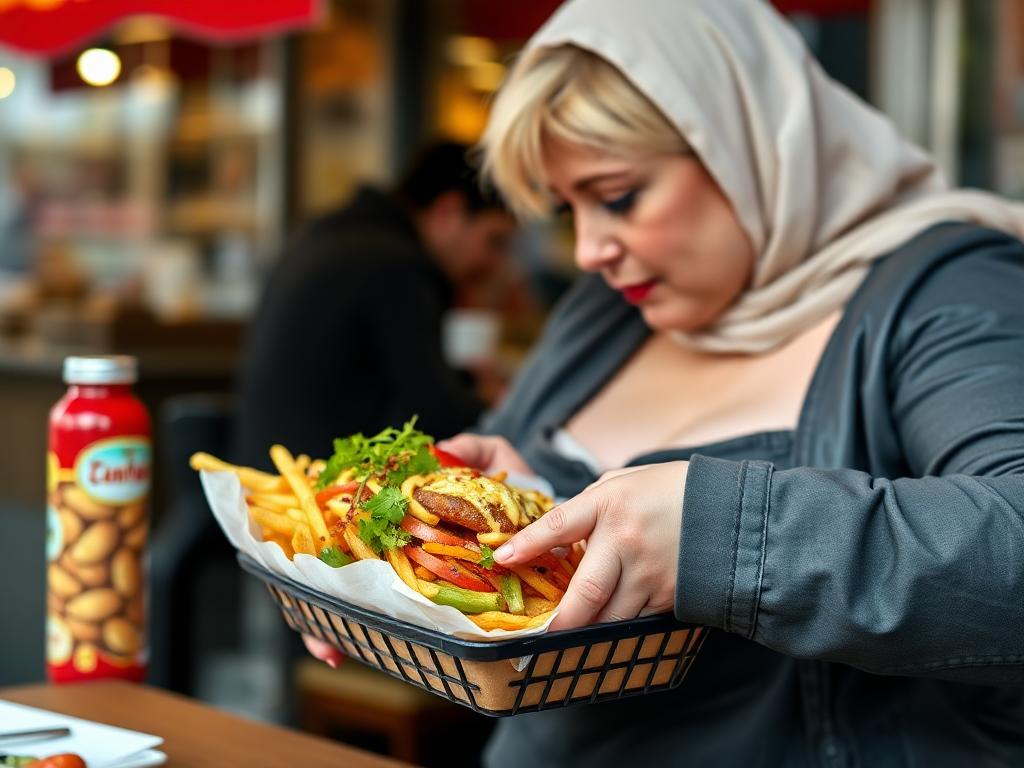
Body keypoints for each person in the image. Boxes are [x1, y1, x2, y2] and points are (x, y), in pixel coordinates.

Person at [307, 0, 1024, 764]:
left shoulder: (949, 287)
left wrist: (718, 536)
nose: (587, 250)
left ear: (746, 145)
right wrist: (484, 520)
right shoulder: (609, 311)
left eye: (618, 197)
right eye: (568, 208)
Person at [233, 141, 516, 469]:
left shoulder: (334, 235)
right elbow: (432, 416)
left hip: (268, 475)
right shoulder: (397, 265)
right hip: (318, 492)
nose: (495, 263)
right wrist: (491, 398)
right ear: (448, 212)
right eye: (494, 241)